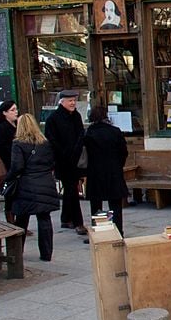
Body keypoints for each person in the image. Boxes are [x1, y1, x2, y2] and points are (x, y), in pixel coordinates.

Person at [5, 114, 59, 262]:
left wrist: (7, 177)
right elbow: (52, 161)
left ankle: (17, 252)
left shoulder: (18, 144)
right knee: (44, 219)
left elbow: (17, 166)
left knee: (22, 220)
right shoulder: (45, 143)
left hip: (26, 184)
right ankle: (46, 254)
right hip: (45, 182)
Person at [44, 89, 86, 235]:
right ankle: (78, 222)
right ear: (62, 102)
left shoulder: (76, 116)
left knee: (70, 189)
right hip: (62, 161)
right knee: (72, 190)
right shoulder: (53, 119)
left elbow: (81, 134)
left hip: (76, 159)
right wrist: (63, 154)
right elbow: (52, 141)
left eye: (74, 100)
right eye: (70, 100)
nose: (73, 103)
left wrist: (77, 150)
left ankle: (65, 218)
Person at [82, 105, 129, 236]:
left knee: (96, 205)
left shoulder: (88, 133)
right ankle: (118, 230)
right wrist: (118, 165)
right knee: (115, 205)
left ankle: (99, 231)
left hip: (95, 173)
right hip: (114, 171)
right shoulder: (115, 131)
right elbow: (124, 152)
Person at [0, 101, 20, 225]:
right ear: (4, 113)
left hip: (18, 165)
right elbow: (3, 149)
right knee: (11, 194)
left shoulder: (17, 126)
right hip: (9, 165)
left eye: (16, 109)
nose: (16, 112)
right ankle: (11, 221)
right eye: (12, 110)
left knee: (19, 195)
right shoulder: (0, 129)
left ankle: (18, 221)